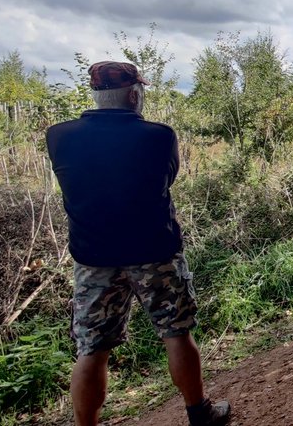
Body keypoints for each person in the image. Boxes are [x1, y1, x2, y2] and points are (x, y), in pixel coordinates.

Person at [46, 61, 230, 426]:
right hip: (154, 251)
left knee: (92, 348)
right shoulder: (158, 135)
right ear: (134, 94)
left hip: (93, 256)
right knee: (176, 332)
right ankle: (199, 412)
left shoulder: (59, 135)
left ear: (95, 94)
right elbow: (168, 177)